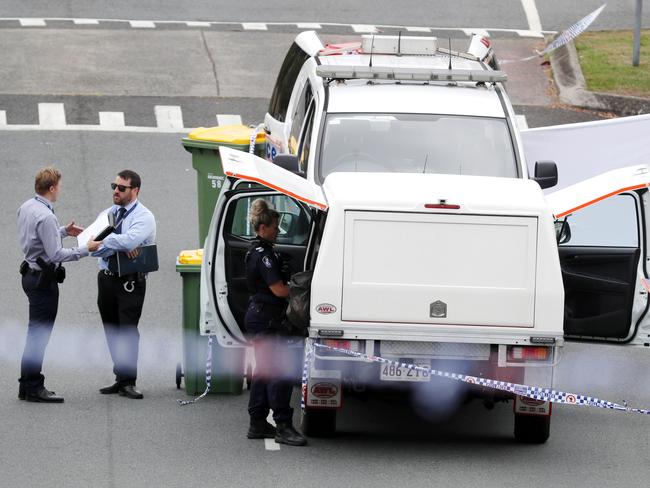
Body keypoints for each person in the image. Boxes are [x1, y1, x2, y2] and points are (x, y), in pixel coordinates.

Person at [17, 167, 100, 403]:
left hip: (29, 274)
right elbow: (55, 254)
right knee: (39, 335)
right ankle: (33, 386)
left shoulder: (27, 207)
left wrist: (63, 231)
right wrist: (86, 249)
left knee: (34, 333)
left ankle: (26, 384)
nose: (60, 190)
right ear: (52, 188)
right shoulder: (46, 216)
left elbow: (36, 238)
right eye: (59, 186)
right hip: (43, 281)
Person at [244, 198, 307, 447]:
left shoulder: (258, 251)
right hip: (266, 319)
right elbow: (279, 290)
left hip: (260, 316)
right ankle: (282, 425)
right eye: (274, 227)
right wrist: (299, 289)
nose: (277, 231)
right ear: (262, 228)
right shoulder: (264, 256)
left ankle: (257, 422)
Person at [89, 170, 156, 400]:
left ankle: (129, 381)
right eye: (114, 186)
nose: (115, 191)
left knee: (127, 330)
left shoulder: (144, 217)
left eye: (121, 188)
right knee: (111, 329)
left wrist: (104, 242)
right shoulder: (109, 213)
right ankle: (120, 376)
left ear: (135, 191)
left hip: (130, 282)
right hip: (107, 277)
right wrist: (114, 244)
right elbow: (92, 247)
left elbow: (128, 240)